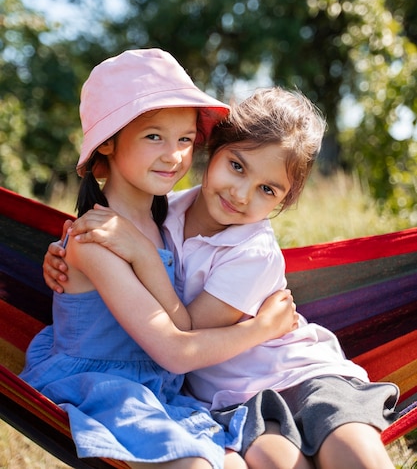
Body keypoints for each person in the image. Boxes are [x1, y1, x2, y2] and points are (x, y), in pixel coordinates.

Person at [45, 85, 398, 469]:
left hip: (297, 369)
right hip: (228, 399)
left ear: (284, 201)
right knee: (277, 461)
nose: (242, 194)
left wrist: (143, 256)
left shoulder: (252, 252)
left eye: (266, 189)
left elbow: (188, 328)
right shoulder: (166, 213)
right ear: (212, 151)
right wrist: (67, 255)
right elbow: (111, 265)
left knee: (346, 439)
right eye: (237, 166)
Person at [20, 48, 298, 469]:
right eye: (154, 136)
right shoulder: (96, 238)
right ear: (108, 143)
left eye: (185, 139)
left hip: (158, 389)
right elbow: (175, 344)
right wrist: (262, 328)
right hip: (101, 387)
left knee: (237, 464)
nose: (174, 155)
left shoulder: (168, 217)